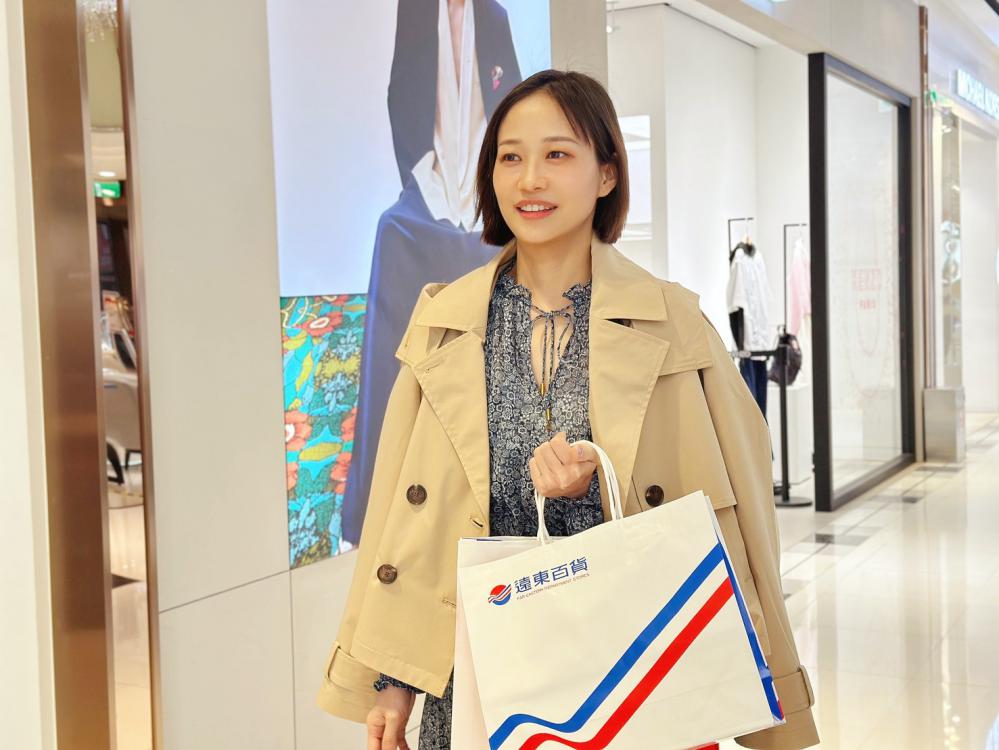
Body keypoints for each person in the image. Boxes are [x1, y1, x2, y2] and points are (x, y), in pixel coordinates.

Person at [316, 69, 819, 750]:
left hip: (633, 669)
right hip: (473, 679)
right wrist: (392, 678)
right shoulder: (444, 323)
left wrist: (595, 494)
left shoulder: (672, 324)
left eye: (557, 154)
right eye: (510, 157)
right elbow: (404, 522)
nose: (530, 179)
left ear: (606, 173)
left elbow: (739, 507)